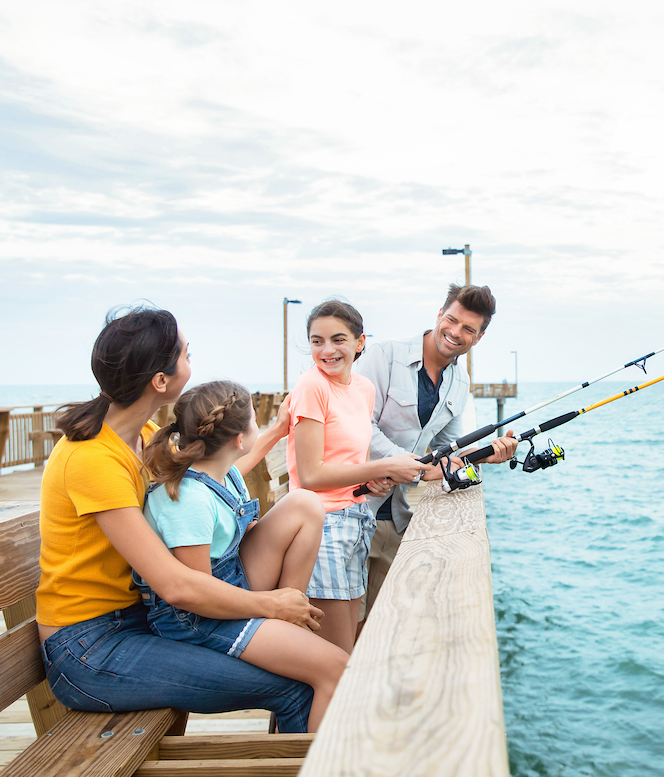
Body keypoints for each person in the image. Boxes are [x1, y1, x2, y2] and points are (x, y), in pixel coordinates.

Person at [36, 306, 333, 734]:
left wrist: (275, 431)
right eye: (186, 353)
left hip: (136, 620)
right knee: (295, 685)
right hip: (91, 648)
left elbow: (210, 474)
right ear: (160, 381)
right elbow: (175, 584)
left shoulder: (138, 433)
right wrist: (273, 606)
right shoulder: (93, 460)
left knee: (302, 670)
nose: (192, 361)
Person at [138, 380, 348, 732]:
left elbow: (246, 459)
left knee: (305, 504)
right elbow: (197, 596)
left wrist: (279, 430)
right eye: (255, 421)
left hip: (229, 580)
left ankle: (288, 621)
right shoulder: (188, 501)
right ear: (237, 439)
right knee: (336, 667)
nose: (257, 427)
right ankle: (310, 762)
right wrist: (269, 602)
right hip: (196, 617)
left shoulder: (221, 472)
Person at [353, 284, 518, 628]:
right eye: (452, 320)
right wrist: (415, 470)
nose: (456, 332)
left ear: (479, 337)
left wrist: (488, 454)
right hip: (352, 509)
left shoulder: (459, 380)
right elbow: (358, 427)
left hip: (395, 517)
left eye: (468, 329)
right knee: (343, 625)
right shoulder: (384, 355)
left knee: (381, 625)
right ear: (438, 315)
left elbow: (451, 447)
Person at [287, 299, 433, 654]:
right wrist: (385, 466)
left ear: (360, 342)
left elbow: (349, 460)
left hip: (358, 517)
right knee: (333, 653)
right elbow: (309, 475)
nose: (326, 350)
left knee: (350, 643)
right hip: (321, 527)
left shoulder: (364, 389)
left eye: (338, 339)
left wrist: (369, 484)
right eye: (316, 341)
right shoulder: (311, 386)